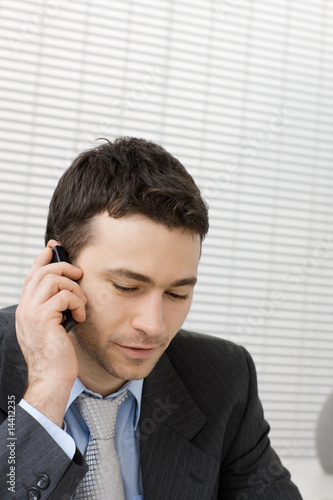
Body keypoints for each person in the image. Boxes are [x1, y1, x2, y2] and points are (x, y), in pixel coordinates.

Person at [0, 137, 303, 499]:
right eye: (127, 287)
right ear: (58, 268)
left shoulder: (224, 377)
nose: (154, 325)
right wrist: (46, 394)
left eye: (177, 293)